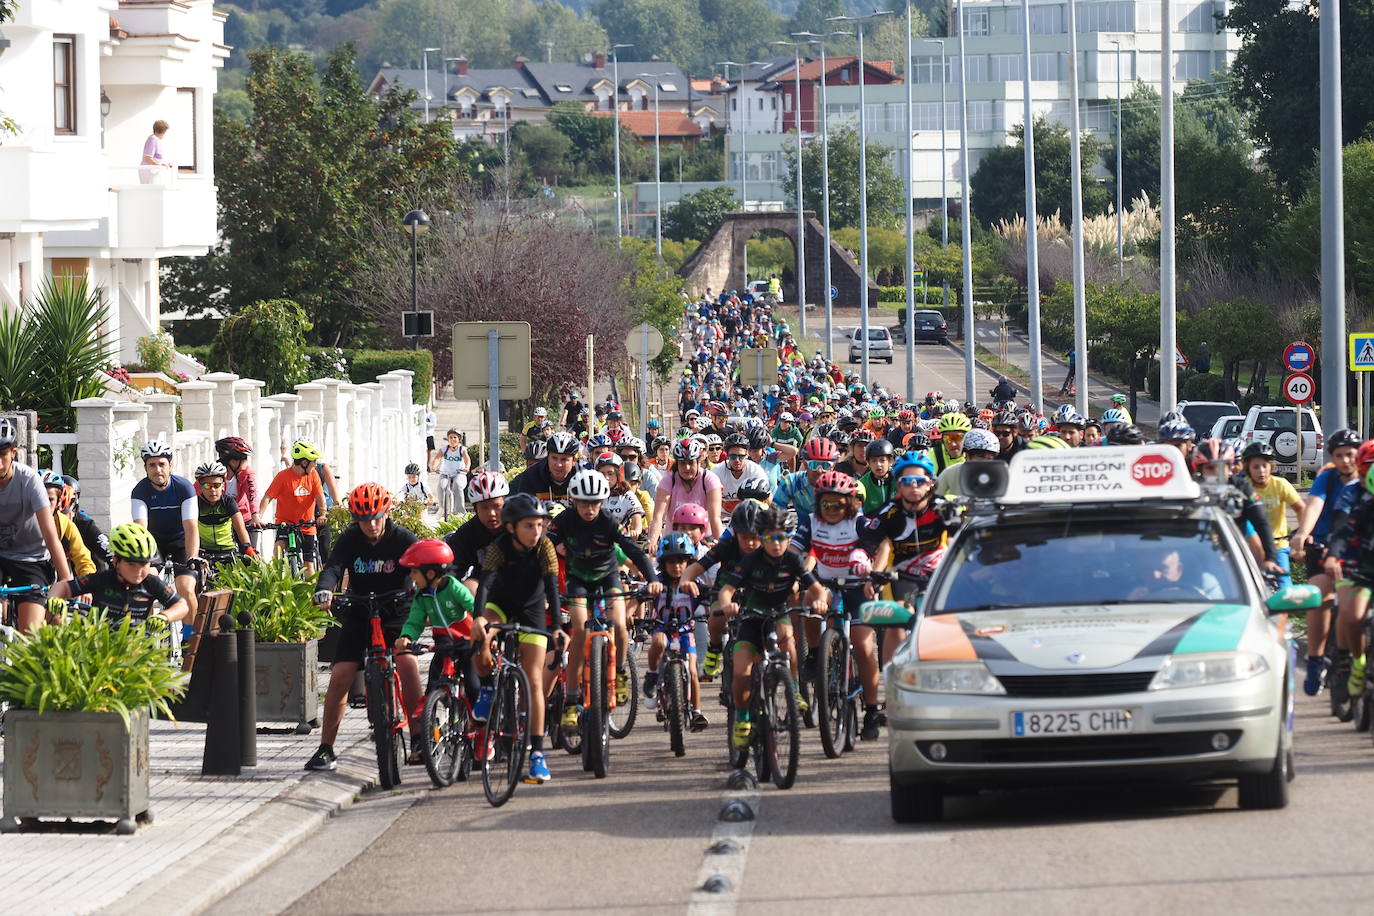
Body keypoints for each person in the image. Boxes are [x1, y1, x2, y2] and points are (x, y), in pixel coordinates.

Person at [306, 483, 419, 773]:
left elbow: (422, 566)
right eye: (364, 519)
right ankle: (326, 748)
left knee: (407, 665)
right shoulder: (350, 538)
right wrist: (325, 590)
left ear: (387, 511)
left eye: (376, 517)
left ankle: (418, 738)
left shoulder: (402, 538)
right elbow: (333, 567)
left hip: (396, 611)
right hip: (359, 609)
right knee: (341, 674)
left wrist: (425, 589)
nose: (371, 525)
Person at [551, 469, 662, 733]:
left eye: (595, 503)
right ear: (573, 500)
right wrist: (554, 545)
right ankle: (570, 700)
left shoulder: (608, 522)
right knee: (578, 629)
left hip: (607, 576)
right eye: (583, 503)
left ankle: (621, 671)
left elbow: (633, 550)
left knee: (620, 624)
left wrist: (651, 577)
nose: (589, 509)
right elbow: (547, 539)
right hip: (579, 579)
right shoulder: (565, 520)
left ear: (602, 502)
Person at [714, 505, 826, 752]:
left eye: (781, 537)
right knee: (741, 672)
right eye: (768, 538)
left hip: (779, 614)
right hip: (751, 618)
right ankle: (742, 718)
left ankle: (794, 690)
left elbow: (816, 587)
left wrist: (818, 600)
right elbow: (727, 589)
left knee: (789, 641)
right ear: (761, 537)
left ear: (788, 537)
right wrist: (727, 605)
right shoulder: (750, 560)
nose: (775, 544)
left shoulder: (793, 560)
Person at [470, 494, 565, 784]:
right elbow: (485, 585)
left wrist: (558, 627)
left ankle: (536, 753)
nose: (536, 532)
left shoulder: (545, 547)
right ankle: (487, 687)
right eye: (529, 526)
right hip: (501, 606)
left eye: (540, 525)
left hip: (532, 610)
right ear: (511, 527)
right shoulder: (498, 547)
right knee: (482, 640)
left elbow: (551, 587)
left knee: (534, 679)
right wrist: (479, 619)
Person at [1288, 429, 1362, 694]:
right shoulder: (1328, 478)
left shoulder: (1367, 481)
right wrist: (1303, 534)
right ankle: (1316, 660)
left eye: (1350, 455)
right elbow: (1314, 504)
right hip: (1323, 545)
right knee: (1319, 596)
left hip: (1357, 551)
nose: (1345, 461)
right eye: (1339, 455)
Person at [395, 539, 480, 714]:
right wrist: (407, 636)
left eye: (414, 572)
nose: (411, 576)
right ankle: (428, 710)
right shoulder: (421, 595)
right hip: (443, 641)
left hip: (466, 640)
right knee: (434, 676)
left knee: (473, 683)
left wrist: (483, 627)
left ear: (431, 573)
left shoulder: (454, 587)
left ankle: (478, 721)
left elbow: (473, 606)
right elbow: (415, 620)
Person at [51, 523, 188, 625]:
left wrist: (165, 616)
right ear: (116, 561)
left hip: (136, 649)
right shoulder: (102, 579)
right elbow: (63, 587)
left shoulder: (151, 583)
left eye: (144, 564)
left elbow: (181, 605)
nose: (139, 571)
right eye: (131, 564)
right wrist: (54, 598)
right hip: (100, 646)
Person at [642, 532, 710, 732]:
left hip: (685, 630)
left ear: (689, 562)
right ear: (663, 563)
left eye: (681, 561)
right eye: (671, 561)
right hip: (662, 627)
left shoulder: (695, 585)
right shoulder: (658, 584)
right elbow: (636, 599)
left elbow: (712, 600)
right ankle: (653, 674)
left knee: (692, 670)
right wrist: (630, 614)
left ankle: (696, 711)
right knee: (659, 643)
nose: (676, 566)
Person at [130, 439, 200, 615]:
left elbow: (191, 528)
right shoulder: (140, 491)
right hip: (154, 544)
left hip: (180, 542)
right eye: (152, 465)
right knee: (145, 584)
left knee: (185, 587)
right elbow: (140, 529)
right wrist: (142, 559)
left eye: (162, 464)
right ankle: (146, 637)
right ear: (145, 468)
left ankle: (191, 637)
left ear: (171, 465)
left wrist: (192, 557)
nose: (157, 470)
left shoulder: (184, 488)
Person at [1241, 441, 1305, 588]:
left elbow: (1301, 508)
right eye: (1256, 467)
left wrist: (1301, 534)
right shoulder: (1244, 487)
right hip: (1251, 547)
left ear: (1271, 466)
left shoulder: (1280, 484)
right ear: (1248, 469)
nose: (1261, 471)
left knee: (1285, 589)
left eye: (1265, 466)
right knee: (1251, 587)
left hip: (1278, 546)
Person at [260, 440, 327, 575]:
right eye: (313, 461)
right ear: (304, 462)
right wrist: (258, 516)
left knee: (309, 565)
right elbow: (267, 497)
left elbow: (320, 497)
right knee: (279, 548)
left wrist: (323, 514)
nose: (315, 464)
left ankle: (310, 593)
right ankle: (277, 580)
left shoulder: (313, 475)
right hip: (286, 524)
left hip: (307, 526)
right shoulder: (283, 476)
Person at [646, 438, 724, 553]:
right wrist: (652, 542)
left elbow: (715, 518)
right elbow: (658, 517)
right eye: (682, 463)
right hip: (674, 541)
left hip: (705, 540)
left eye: (691, 463)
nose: (687, 468)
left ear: (699, 462)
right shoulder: (668, 480)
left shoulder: (710, 479)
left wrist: (722, 548)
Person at [445, 471, 508, 592]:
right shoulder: (465, 534)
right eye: (484, 507)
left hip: (518, 586)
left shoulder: (518, 527)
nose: (491, 513)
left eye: (496, 506)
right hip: (483, 591)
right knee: (470, 586)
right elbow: (452, 572)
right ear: (475, 509)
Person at [193, 461, 254, 565]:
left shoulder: (228, 502)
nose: (212, 490)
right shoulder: (195, 504)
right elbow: (189, 529)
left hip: (228, 551)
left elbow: (240, 528)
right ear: (200, 487)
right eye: (207, 485)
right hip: (204, 553)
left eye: (216, 485)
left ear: (223, 485)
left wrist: (248, 548)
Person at [40, 471, 95, 579]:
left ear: (58, 502)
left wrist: (86, 586)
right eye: (39, 498)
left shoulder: (66, 526)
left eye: (50, 500)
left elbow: (83, 560)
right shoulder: (19, 521)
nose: (43, 505)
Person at [511, 431, 580, 503]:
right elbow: (523, 509)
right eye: (554, 458)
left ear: (574, 460)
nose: (558, 464)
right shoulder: (530, 476)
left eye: (564, 459)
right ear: (547, 457)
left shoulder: (583, 476)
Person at [435, 429, 471, 519]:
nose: (452, 439)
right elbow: (437, 459)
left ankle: (460, 512)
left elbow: (467, 460)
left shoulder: (462, 449)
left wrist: (467, 467)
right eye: (450, 437)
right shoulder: (444, 449)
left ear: (459, 439)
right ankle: (442, 508)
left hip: (459, 473)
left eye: (455, 437)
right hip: (445, 472)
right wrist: (434, 466)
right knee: (441, 486)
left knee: (457, 486)